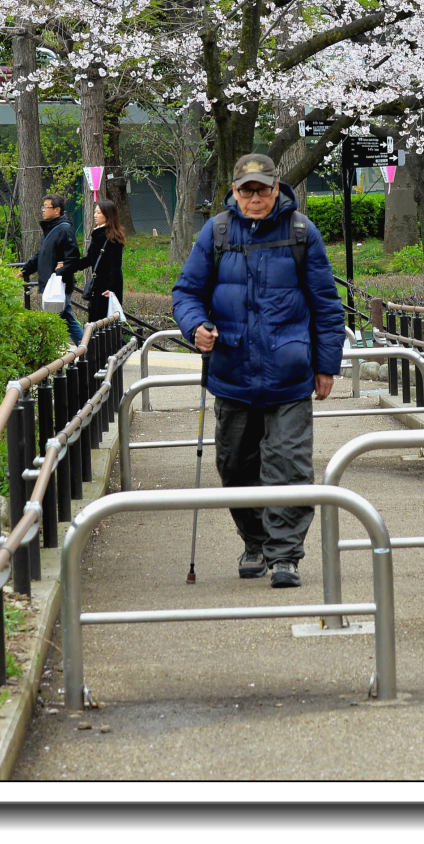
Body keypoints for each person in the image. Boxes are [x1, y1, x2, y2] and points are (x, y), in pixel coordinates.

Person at [173, 153, 345, 589]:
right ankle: (255, 541)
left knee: (288, 464)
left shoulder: (302, 233)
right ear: (234, 191)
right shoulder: (217, 231)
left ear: (275, 189)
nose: (254, 198)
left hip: (289, 374)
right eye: (246, 190)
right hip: (232, 371)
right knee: (235, 465)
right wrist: (196, 326)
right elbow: (186, 292)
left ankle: (285, 555)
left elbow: (327, 307)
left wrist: (326, 366)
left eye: (262, 189)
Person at [28, 195, 84, 344]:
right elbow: (41, 254)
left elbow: (73, 257)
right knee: (66, 319)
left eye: (46, 207)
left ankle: (88, 350)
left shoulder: (64, 229)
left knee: (61, 319)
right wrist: (25, 270)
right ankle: (88, 350)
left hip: (59, 283)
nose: (43, 210)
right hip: (54, 282)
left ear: (57, 210)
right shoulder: (51, 229)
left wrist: (59, 271)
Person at [83, 200, 126, 324]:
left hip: (107, 290)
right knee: (97, 324)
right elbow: (89, 259)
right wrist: (68, 265)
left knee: (105, 326)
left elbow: (115, 266)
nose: (95, 215)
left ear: (108, 215)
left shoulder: (113, 238)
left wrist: (112, 289)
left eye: (98, 213)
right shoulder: (97, 234)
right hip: (97, 287)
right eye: (95, 212)